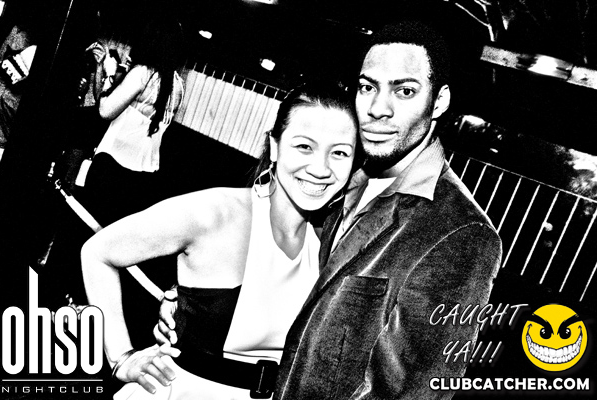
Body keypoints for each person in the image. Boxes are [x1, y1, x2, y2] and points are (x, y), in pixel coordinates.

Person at [156, 20, 502, 400]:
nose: (377, 109)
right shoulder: (335, 181)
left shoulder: (460, 232)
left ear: (439, 101)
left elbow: (413, 391)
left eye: (404, 91)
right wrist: (199, 305)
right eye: (367, 87)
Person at [81, 82, 360, 400]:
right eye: (304, 146)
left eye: (339, 152)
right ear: (275, 146)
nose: (321, 168)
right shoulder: (216, 213)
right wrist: (122, 357)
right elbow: (99, 252)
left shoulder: (329, 245)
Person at [82, 15, 185, 226]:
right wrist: (104, 70)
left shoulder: (142, 74)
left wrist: (110, 74)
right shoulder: (178, 85)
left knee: (87, 228)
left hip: (113, 167)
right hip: (143, 177)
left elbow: (104, 111)